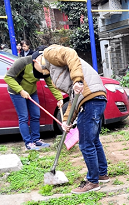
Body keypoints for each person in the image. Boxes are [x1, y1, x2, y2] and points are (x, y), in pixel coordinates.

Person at [34, 44, 110, 193]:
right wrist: (65, 121)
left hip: (91, 99)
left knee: (86, 143)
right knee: (93, 140)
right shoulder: (55, 68)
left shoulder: (49, 53)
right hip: (94, 98)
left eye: (38, 72)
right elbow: (74, 98)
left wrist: (77, 80)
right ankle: (102, 174)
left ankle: (92, 182)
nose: (44, 74)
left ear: (36, 61)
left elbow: (70, 53)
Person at [4, 45, 63, 150]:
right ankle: (28, 143)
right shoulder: (23, 62)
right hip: (17, 92)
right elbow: (8, 77)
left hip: (31, 91)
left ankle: (36, 140)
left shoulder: (45, 67)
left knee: (36, 115)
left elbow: (50, 84)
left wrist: (59, 98)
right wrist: (21, 91)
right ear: (36, 61)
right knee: (24, 117)